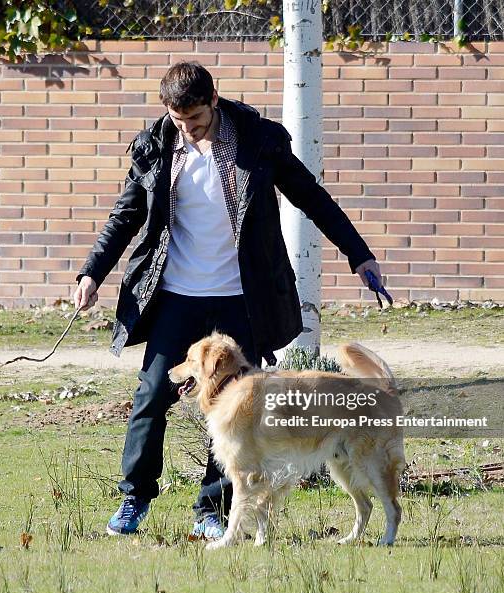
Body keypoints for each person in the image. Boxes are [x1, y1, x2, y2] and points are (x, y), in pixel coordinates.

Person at [74, 61, 382, 539]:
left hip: (242, 299)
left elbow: (311, 197)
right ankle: (135, 498)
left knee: (239, 409)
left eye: (195, 120)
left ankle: (211, 510)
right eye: (179, 122)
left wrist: (359, 255)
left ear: (213, 101)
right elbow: (126, 214)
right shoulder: (157, 146)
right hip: (176, 295)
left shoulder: (258, 141)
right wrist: (92, 271)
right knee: (153, 393)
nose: (188, 131)